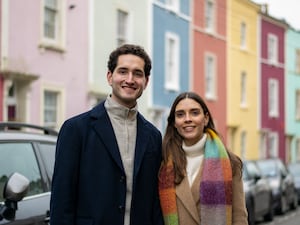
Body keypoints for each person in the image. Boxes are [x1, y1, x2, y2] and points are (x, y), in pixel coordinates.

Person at [50, 44, 164, 225]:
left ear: (146, 81)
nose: (130, 79)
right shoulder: (75, 129)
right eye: (123, 71)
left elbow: (155, 201)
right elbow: (62, 200)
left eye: (137, 73)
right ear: (110, 77)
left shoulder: (153, 136)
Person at [158, 92, 248, 225]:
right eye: (180, 114)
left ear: (205, 118)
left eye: (194, 113)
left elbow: (239, 217)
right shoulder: (164, 164)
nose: (187, 119)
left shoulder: (229, 162)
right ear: (174, 123)